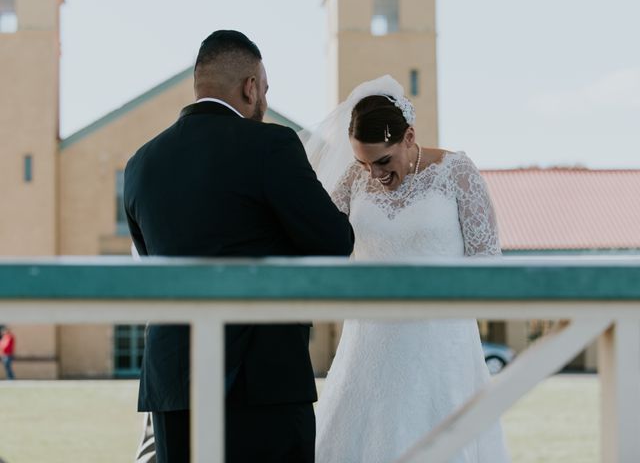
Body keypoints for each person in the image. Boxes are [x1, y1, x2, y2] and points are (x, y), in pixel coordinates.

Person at [124, 30, 354, 463]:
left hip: (174, 382)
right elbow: (334, 242)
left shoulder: (140, 164)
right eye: (264, 89)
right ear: (251, 87)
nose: (264, 100)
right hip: (261, 380)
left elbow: (150, 262)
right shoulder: (272, 144)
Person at [304, 75, 510, 462]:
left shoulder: (457, 172)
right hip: (369, 343)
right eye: (363, 164)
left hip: (440, 345)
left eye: (383, 160)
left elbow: (487, 260)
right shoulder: (353, 181)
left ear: (410, 136)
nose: (375, 175)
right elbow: (320, 239)